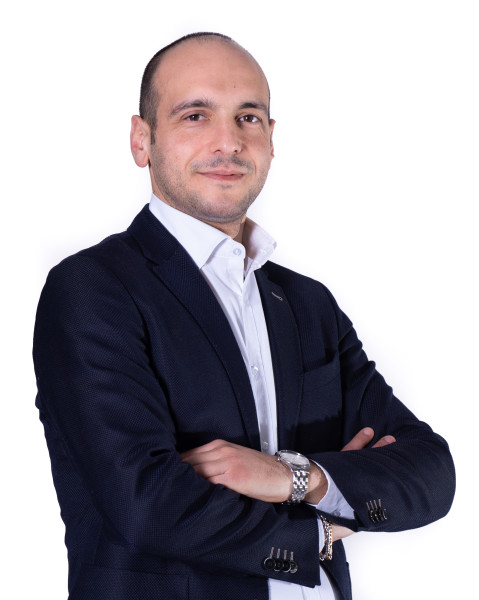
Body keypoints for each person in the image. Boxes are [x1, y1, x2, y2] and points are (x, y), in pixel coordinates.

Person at [33, 32, 455, 600]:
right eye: (195, 116)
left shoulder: (308, 304)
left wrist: (294, 477)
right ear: (142, 140)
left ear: (271, 139)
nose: (228, 141)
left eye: (248, 117)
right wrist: (320, 530)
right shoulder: (93, 289)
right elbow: (147, 505)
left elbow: (431, 472)